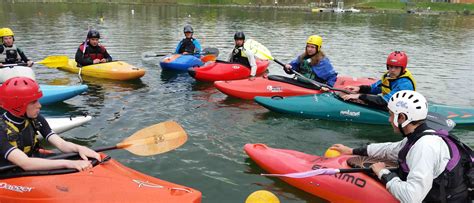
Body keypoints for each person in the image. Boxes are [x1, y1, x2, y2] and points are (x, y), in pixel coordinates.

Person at [331, 90, 472, 203]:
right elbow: (390, 149)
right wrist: (351, 151)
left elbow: (411, 198)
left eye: (392, 115)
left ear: (402, 118)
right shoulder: (419, 136)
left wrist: (383, 173)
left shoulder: (424, 147)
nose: (389, 119)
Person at [0, 77, 101, 171]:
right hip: (10, 168)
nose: (39, 105)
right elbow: (25, 163)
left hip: (31, 159)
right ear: (17, 105)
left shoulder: (36, 119)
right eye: (33, 102)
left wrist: (80, 148)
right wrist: (68, 163)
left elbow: (61, 144)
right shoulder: (1, 128)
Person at [340, 51, 416, 109]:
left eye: (396, 67)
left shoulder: (405, 84)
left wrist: (359, 96)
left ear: (402, 69)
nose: (392, 70)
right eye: (390, 67)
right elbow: (374, 88)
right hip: (388, 105)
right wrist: (359, 88)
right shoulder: (388, 76)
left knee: (360, 99)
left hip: (399, 109)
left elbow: (386, 101)